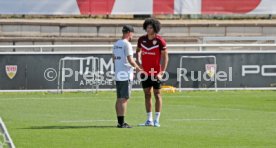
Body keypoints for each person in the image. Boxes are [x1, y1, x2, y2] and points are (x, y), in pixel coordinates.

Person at [136, 18, 169, 127]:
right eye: (147, 27)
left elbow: (165, 57)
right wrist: (139, 64)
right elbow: (138, 52)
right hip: (145, 73)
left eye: (150, 27)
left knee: (157, 94)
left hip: (156, 73)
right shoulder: (141, 40)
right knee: (147, 94)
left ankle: (157, 120)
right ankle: (149, 120)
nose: (148, 29)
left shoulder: (160, 41)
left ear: (155, 29)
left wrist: (162, 72)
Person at [113, 25, 142, 128]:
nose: (133, 36)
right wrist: (138, 68)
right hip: (125, 75)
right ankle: (122, 123)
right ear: (129, 33)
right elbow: (130, 59)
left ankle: (119, 122)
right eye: (133, 33)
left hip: (118, 74)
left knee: (119, 98)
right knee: (124, 98)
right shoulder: (127, 44)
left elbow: (114, 59)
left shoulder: (116, 43)